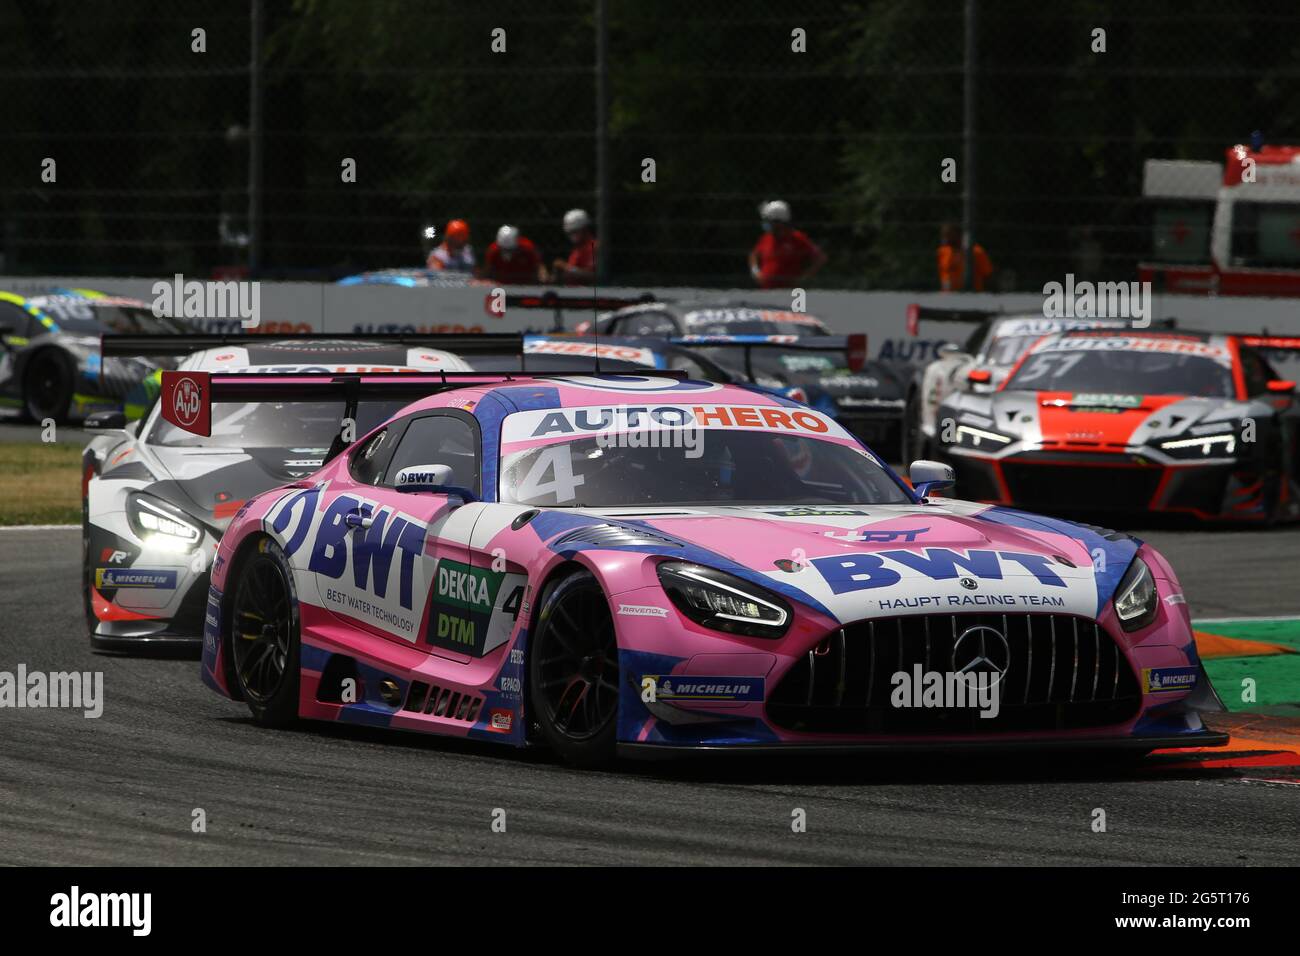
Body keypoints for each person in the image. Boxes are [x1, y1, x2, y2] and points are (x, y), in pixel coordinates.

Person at [747, 200, 826, 289]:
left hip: (787, 291)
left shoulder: (797, 238)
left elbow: (819, 258)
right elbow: (754, 255)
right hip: (766, 291)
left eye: (768, 221)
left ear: (779, 222)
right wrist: (756, 272)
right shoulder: (766, 238)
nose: (765, 223)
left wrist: (804, 277)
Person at [937, 222, 993, 292]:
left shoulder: (977, 252)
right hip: (947, 295)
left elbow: (988, 275)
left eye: (948, 235)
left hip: (970, 295)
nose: (945, 238)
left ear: (958, 235)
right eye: (943, 235)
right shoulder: (942, 252)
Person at [550, 208, 597, 285]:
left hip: (587, 294)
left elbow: (592, 276)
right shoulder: (577, 249)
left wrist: (565, 268)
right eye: (569, 233)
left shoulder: (593, 246)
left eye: (574, 232)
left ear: (584, 229)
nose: (571, 236)